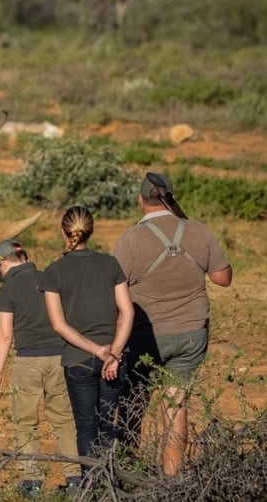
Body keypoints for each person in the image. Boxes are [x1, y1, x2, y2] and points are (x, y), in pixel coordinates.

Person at [112, 172, 232, 476]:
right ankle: (171, 478)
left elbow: (112, 289)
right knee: (176, 404)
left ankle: (127, 471)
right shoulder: (199, 231)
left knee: (134, 401)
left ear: (141, 200)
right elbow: (223, 279)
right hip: (191, 336)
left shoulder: (131, 238)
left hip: (144, 337)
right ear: (172, 198)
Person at [38, 205, 134, 476]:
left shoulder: (54, 271)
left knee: (86, 426)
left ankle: (89, 486)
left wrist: (98, 351)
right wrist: (114, 353)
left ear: (63, 231)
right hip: (115, 361)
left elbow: (59, 325)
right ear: (90, 231)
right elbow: (127, 311)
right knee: (108, 424)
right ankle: (109, 485)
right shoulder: (111, 264)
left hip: (79, 360)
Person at [0, 239, 81, 498]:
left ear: (3, 264)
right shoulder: (50, 278)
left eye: (0, 270)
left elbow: (5, 334)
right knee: (64, 420)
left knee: (25, 423)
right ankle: (74, 478)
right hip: (60, 358)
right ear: (25, 258)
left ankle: (32, 482)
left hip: (28, 361)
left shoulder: (7, 290)